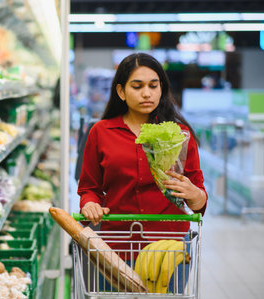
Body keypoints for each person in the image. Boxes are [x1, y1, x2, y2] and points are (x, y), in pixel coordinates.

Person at [77, 53, 207, 292]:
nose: (146, 93)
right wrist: (90, 204)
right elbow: (89, 189)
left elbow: (199, 202)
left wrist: (194, 193)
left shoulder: (178, 134)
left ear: (162, 89)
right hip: (116, 248)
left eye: (153, 86)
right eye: (137, 86)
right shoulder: (101, 132)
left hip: (169, 248)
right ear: (121, 91)